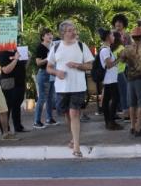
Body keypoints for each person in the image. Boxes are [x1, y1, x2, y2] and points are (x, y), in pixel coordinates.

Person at [46, 20, 95, 157]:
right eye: (70, 30)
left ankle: (77, 148)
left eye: (74, 29)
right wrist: (57, 73)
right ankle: (73, 138)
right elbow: (48, 67)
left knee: (74, 114)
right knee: (67, 115)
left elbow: (90, 65)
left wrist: (77, 65)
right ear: (63, 33)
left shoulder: (81, 46)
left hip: (78, 86)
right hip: (62, 88)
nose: (73, 32)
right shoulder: (55, 47)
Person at [0, 30, 28, 133]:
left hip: (20, 81)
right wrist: (15, 59)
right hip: (8, 82)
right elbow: (6, 70)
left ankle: (18, 127)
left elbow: (23, 66)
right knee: (7, 106)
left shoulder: (17, 50)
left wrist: (27, 59)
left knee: (17, 105)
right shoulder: (2, 53)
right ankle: (5, 130)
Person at [33, 28, 59, 129]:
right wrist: (47, 59)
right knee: (42, 97)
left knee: (50, 97)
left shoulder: (53, 46)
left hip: (52, 73)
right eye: (47, 34)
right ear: (43, 37)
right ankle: (37, 121)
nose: (50, 36)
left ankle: (49, 119)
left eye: (51, 34)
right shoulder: (40, 47)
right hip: (43, 74)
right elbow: (38, 63)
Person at [98, 28, 122, 131]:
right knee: (116, 99)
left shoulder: (107, 49)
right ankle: (111, 121)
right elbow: (108, 65)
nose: (114, 37)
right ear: (108, 37)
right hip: (110, 79)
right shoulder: (105, 50)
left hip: (110, 79)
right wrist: (120, 59)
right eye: (112, 36)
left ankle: (108, 121)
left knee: (107, 100)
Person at [111, 32, 128, 121]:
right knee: (124, 93)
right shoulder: (121, 48)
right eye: (122, 36)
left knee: (115, 95)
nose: (123, 38)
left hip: (112, 74)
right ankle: (126, 114)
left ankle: (114, 113)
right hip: (120, 73)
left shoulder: (111, 48)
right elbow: (124, 59)